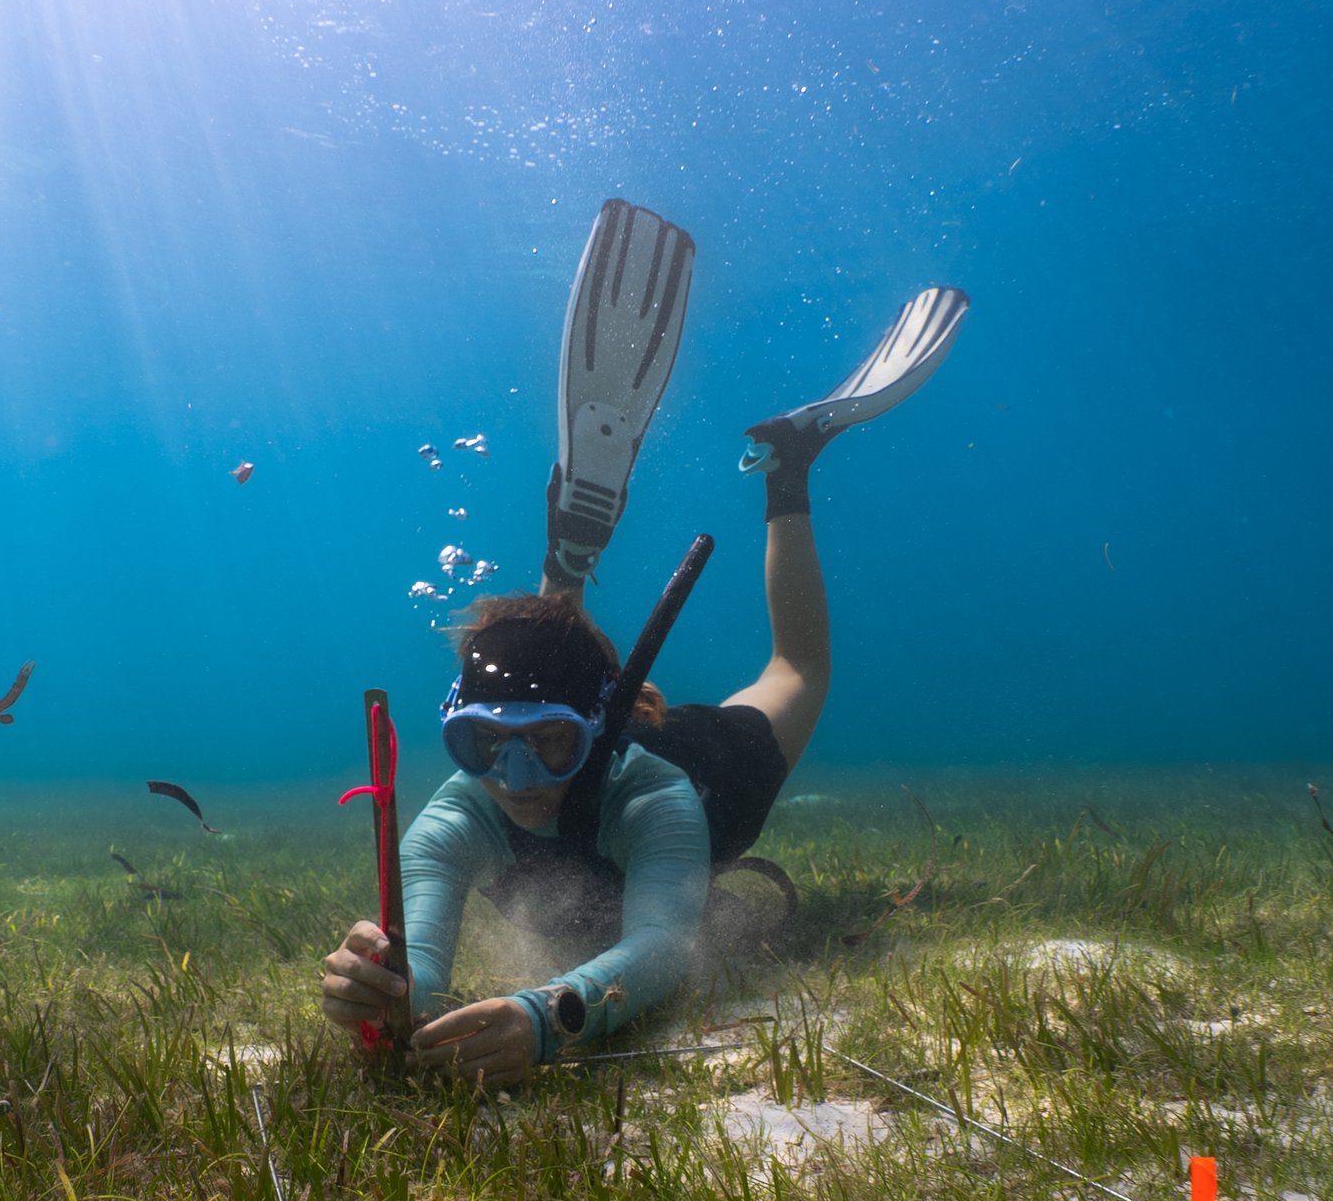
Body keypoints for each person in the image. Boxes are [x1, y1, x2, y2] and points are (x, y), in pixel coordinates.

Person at [321, 199, 967, 1090]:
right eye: (484, 745)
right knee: (549, 665)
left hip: (709, 767)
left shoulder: (660, 800)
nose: (515, 782)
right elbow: (421, 967)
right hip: (604, 711)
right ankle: (568, 575)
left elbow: (663, 945)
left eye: (550, 745)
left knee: (798, 671)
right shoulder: (452, 818)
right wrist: (389, 987)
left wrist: (552, 1014)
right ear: (458, 736)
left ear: (593, 733)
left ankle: (790, 471)